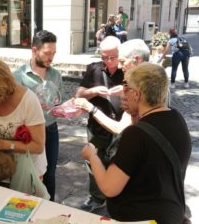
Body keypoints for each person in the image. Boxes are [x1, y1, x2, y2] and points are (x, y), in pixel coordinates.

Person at [81, 63, 191, 224]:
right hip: (170, 211)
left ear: (136, 94)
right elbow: (148, 155)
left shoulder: (136, 134)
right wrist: (134, 115)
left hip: (140, 218)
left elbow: (109, 187)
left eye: (126, 88)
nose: (123, 95)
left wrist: (92, 155)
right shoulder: (176, 117)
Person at [75, 36, 124, 211]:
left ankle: (118, 197)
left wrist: (124, 92)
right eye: (104, 57)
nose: (108, 61)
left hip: (121, 127)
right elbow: (79, 93)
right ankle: (97, 197)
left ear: (121, 53)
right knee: (93, 161)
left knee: (120, 164)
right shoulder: (94, 68)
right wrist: (93, 91)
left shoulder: (128, 69)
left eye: (112, 57)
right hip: (96, 127)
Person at [14, 30, 62, 201]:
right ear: (34, 51)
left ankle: (51, 208)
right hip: (28, 133)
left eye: (54, 53)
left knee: (50, 173)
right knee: (29, 172)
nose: (51, 58)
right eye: (47, 53)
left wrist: (63, 108)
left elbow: (59, 100)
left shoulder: (56, 75)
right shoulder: (18, 76)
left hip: (50, 129)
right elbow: (14, 110)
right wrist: (32, 106)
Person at [75, 39, 151, 136]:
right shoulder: (154, 79)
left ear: (137, 59)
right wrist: (95, 91)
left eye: (120, 60)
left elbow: (120, 128)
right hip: (100, 131)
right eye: (104, 57)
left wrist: (90, 108)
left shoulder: (143, 84)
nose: (119, 66)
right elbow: (78, 95)